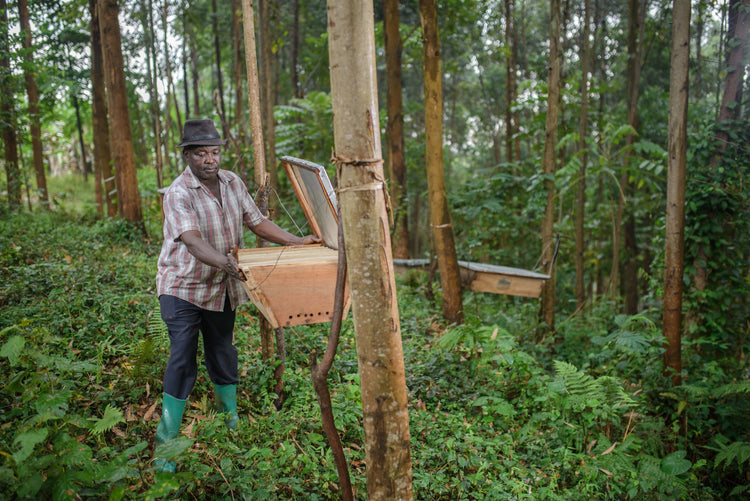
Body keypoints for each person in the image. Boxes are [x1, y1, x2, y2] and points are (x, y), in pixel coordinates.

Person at [153, 119, 319, 472]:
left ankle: (230, 422)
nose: (209, 160)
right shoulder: (178, 193)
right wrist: (226, 262)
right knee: (182, 355)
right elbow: (193, 241)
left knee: (223, 350)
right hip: (182, 286)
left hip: (221, 287)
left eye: (214, 152)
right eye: (201, 154)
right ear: (187, 156)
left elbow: (257, 221)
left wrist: (296, 241)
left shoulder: (232, 182)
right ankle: (166, 444)